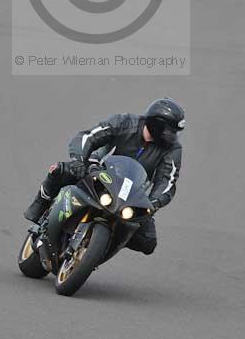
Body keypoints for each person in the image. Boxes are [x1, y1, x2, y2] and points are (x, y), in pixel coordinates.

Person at [24, 98, 185, 256]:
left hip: (131, 194)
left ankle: (104, 245)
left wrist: (154, 203)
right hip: (98, 171)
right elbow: (88, 137)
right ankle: (40, 208)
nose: (172, 136)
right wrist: (79, 161)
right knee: (59, 170)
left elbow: (167, 180)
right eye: (169, 131)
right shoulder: (125, 122)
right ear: (155, 124)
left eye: (175, 132)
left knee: (148, 242)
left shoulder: (173, 149)